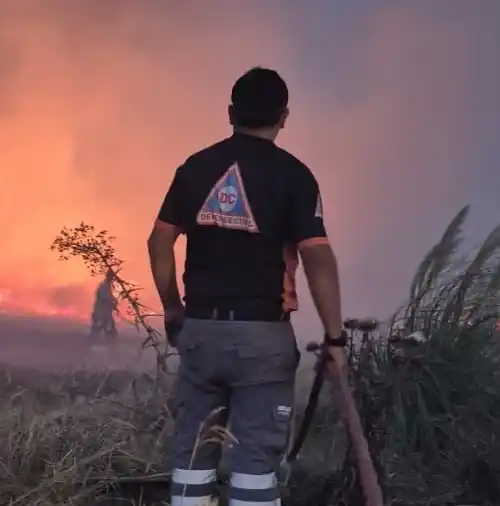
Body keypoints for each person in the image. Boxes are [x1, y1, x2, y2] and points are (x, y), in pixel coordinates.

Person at [147, 67, 348, 506]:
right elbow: (316, 257)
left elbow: (160, 240)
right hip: (262, 339)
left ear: (230, 112)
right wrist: (335, 337)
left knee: (192, 455)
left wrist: (173, 308)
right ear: (285, 116)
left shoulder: (196, 168)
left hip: (200, 332)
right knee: (255, 467)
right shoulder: (295, 176)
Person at [89, 270, 118, 341]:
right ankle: (91, 342)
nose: (113, 279)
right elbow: (104, 298)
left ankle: (110, 343)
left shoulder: (107, 286)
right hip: (101, 312)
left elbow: (108, 297)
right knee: (98, 328)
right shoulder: (103, 286)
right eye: (112, 277)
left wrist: (113, 301)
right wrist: (112, 301)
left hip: (106, 313)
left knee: (109, 329)